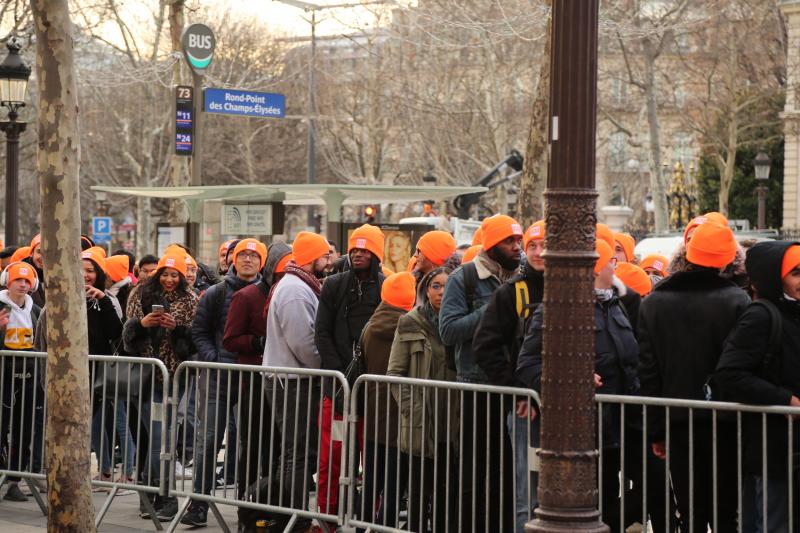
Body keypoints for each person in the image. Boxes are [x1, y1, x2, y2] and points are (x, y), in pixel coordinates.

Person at [518, 240, 641, 532]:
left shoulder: (615, 304)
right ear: (597, 268)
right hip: (580, 430)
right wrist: (575, 380)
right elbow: (527, 364)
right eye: (612, 261)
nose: (616, 266)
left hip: (621, 425)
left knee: (620, 497)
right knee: (588, 505)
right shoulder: (555, 308)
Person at [638, 220, 750, 531]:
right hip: (726, 419)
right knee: (726, 510)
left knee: (690, 509)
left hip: (677, 420)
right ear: (728, 259)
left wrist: (656, 431)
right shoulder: (737, 300)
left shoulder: (654, 302)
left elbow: (649, 372)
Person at [439, 214, 522, 532]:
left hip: (515, 386)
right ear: (491, 245)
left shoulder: (524, 275)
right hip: (476, 386)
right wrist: (493, 309)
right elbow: (448, 330)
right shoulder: (465, 278)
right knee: (474, 470)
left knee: (507, 470)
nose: (517, 247)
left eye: (518, 240)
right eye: (509, 241)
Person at [714, 241, 800, 532]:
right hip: (773, 446)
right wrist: (786, 400)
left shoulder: (792, 312)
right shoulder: (760, 316)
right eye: (796, 273)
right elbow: (729, 374)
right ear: (775, 277)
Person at [183, 238, 267, 527]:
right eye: (242, 254)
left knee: (248, 444)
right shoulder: (215, 293)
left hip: (251, 380)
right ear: (232, 259)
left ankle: (246, 507)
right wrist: (213, 357)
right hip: (218, 377)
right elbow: (200, 331)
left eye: (254, 256)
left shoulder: (266, 292)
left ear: (262, 262)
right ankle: (198, 504)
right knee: (208, 442)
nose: (247, 260)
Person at [473, 219, 545, 532]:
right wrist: (518, 392)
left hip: (569, 409)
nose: (540, 252)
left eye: (546, 245)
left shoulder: (578, 288)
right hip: (526, 410)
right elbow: (485, 347)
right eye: (533, 246)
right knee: (526, 493)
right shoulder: (511, 292)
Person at [261, 232, 331, 533]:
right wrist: (325, 368)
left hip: (292, 378)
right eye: (324, 256)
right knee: (296, 452)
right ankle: (296, 517)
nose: (329, 261)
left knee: (294, 451)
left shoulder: (298, 285)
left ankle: (290, 514)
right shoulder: (294, 290)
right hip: (292, 380)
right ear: (311, 257)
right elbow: (303, 342)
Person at [315, 223, 385, 518]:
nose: (358, 253)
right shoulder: (334, 284)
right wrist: (339, 375)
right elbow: (322, 333)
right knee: (333, 456)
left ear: (376, 254)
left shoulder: (386, 286)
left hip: (373, 390)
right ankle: (330, 514)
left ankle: (370, 516)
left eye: (365, 249)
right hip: (338, 387)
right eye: (354, 248)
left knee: (373, 458)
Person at [123, 251, 198, 520]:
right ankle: (159, 495)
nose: (168, 279)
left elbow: (193, 343)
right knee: (157, 439)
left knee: (165, 439)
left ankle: (155, 494)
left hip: (176, 378)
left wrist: (177, 328)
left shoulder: (190, 299)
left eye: (174, 274)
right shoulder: (139, 294)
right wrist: (142, 324)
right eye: (164, 273)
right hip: (146, 378)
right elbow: (127, 339)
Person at [222, 241, 291, 528]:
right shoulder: (247, 296)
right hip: (253, 384)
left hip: (282, 384)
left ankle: (274, 510)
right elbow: (230, 339)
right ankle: (246, 512)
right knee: (252, 449)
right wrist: (258, 343)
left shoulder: (286, 293)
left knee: (278, 450)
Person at [387, 267, 457, 532]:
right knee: (418, 491)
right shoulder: (409, 322)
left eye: (446, 286)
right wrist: (412, 410)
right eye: (435, 286)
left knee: (445, 491)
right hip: (420, 421)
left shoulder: (456, 323)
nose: (441, 292)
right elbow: (394, 373)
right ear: (426, 290)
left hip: (450, 420)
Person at [359, 272, 416, 529]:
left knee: (371, 481)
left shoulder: (370, 326)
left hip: (373, 413)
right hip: (400, 415)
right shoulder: (409, 328)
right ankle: (387, 526)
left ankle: (361, 525)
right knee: (394, 484)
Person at [0, 262, 43, 502]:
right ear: (8, 281)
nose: (23, 285)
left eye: (27, 281)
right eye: (19, 280)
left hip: (28, 377)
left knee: (24, 429)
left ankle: (14, 480)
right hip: (3, 376)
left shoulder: (36, 310)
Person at [25, 235, 45, 308]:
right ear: (31, 253)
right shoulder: (19, 274)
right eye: (39, 252)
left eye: (48, 252)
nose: (43, 256)